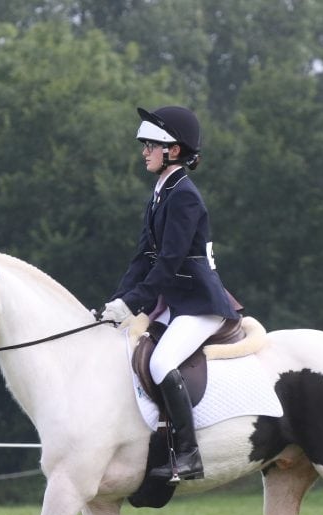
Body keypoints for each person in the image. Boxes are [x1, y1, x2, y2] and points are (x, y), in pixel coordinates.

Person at [101, 106, 241, 482]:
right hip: (174, 302)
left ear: (173, 151)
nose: (144, 151)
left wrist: (134, 303)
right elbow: (143, 257)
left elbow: (168, 261)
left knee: (162, 363)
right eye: (145, 144)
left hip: (198, 303)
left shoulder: (185, 197)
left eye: (151, 145)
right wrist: (117, 301)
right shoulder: (161, 194)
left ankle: (189, 453)